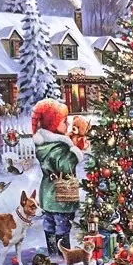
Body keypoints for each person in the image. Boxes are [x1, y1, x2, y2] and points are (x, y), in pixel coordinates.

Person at [31, 99, 81, 256]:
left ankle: (52, 251)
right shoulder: (58, 146)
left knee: (50, 222)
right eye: (64, 121)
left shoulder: (45, 144)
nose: (67, 124)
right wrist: (76, 151)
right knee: (61, 224)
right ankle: (62, 253)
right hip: (59, 195)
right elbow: (65, 166)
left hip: (47, 193)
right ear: (53, 124)